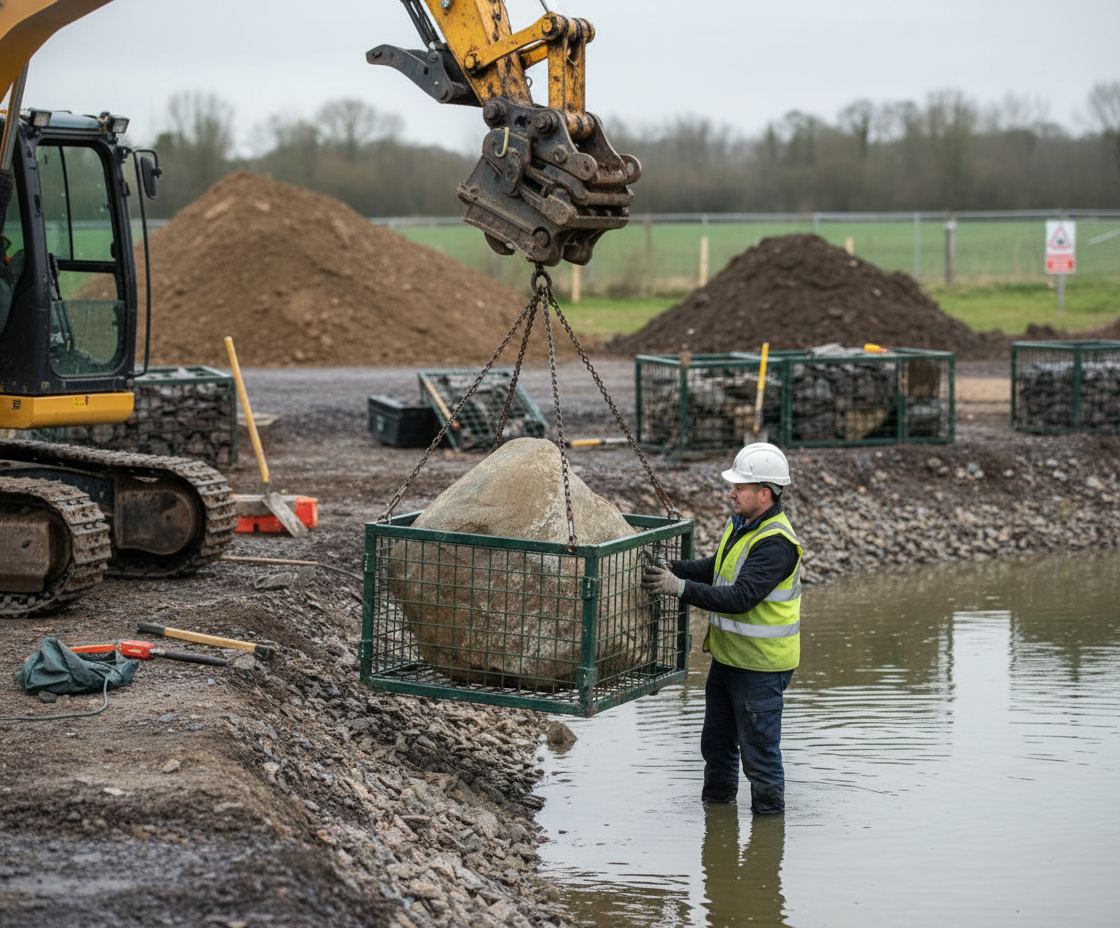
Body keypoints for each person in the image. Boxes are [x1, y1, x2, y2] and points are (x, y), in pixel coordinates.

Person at [641, 442, 802, 814]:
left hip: (761, 668)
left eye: (738, 488)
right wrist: (674, 568)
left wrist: (676, 587)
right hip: (730, 660)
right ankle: (717, 816)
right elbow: (719, 567)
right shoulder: (743, 524)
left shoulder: (776, 543)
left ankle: (766, 837)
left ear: (764, 494)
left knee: (759, 758)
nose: (730, 493)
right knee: (716, 746)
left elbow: (740, 597)